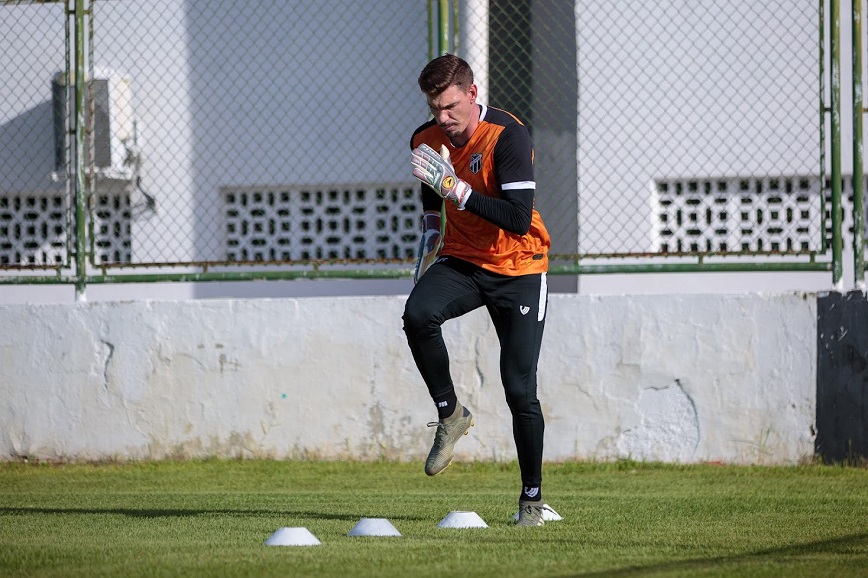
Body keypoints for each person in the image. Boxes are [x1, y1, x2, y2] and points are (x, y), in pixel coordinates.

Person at [404, 53, 552, 527]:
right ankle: (451, 415)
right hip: (465, 258)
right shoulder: (426, 137)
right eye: (434, 108)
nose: (442, 119)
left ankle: (531, 500)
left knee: (518, 389)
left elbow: (516, 218)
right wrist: (430, 233)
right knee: (417, 314)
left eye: (450, 107)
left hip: (519, 265)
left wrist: (456, 190)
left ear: (472, 94)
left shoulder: (509, 136)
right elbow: (432, 191)